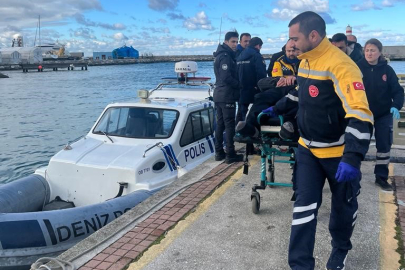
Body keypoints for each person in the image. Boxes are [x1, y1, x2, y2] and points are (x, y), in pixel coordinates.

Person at [285, 11, 373, 270]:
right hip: (308, 150)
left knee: (342, 212)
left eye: (294, 38)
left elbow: (360, 112)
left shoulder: (341, 65)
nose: (291, 44)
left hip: (338, 155)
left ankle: (340, 250)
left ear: (313, 35)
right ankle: (300, 265)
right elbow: (302, 97)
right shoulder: (305, 61)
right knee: (303, 209)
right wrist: (275, 109)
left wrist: (353, 157)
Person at [357, 38, 404, 191]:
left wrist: (396, 106)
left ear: (379, 52)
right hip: (363, 113)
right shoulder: (357, 68)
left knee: (384, 147)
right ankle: (354, 176)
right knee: (358, 145)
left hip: (383, 114)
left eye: (373, 50)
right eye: (367, 50)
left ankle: (381, 177)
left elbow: (398, 91)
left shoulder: (387, 70)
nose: (369, 53)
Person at [213, 31, 244, 164]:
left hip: (219, 95)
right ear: (226, 42)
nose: (235, 44)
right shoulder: (225, 57)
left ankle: (219, 152)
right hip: (227, 95)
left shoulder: (221, 55)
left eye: (236, 42)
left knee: (220, 124)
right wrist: (239, 85)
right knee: (229, 124)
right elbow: (226, 77)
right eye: (233, 41)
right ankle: (230, 153)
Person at [236, 37, 267, 123]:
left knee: (243, 117)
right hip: (254, 92)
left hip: (242, 91)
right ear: (258, 46)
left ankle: (241, 133)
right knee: (255, 117)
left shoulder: (240, 56)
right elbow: (261, 74)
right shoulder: (257, 56)